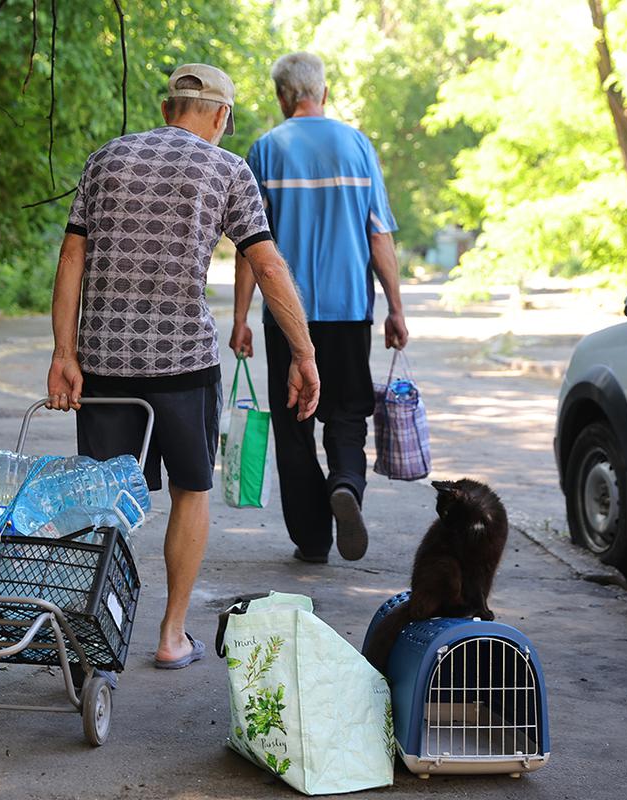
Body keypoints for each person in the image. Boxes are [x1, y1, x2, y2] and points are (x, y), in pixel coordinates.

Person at [45, 64, 320, 669]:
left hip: (104, 363)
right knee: (191, 490)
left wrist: (64, 355)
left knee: (101, 502)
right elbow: (269, 268)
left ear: (169, 108)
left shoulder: (105, 160)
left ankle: (88, 636)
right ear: (220, 116)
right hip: (183, 365)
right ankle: (171, 636)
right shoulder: (227, 170)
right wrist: (304, 353)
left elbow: (71, 255)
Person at [231, 51, 407, 564]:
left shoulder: (266, 150)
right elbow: (380, 236)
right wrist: (395, 307)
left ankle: (312, 539)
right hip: (351, 310)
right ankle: (347, 484)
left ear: (283, 97)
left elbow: (251, 247)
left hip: (288, 317)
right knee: (348, 412)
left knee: (294, 425)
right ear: (323, 93)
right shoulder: (358, 146)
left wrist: (241, 317)